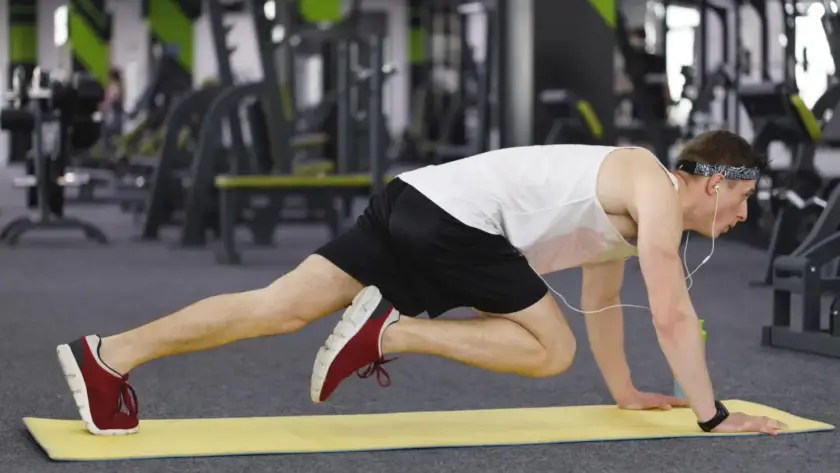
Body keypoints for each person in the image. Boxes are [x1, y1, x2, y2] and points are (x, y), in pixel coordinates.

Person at [57, 130, 788, 437]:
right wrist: (712, 415)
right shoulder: (651, 180)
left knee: (278, 306)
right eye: (744, 199)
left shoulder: (629, 207)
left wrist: (626, 390)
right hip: (457, 222)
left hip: (415, 198)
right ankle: (391, 330)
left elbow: (606, 299)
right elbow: (670, 307)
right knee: (549, 349)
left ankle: (107, 355)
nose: (743, 214)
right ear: (716, 179)